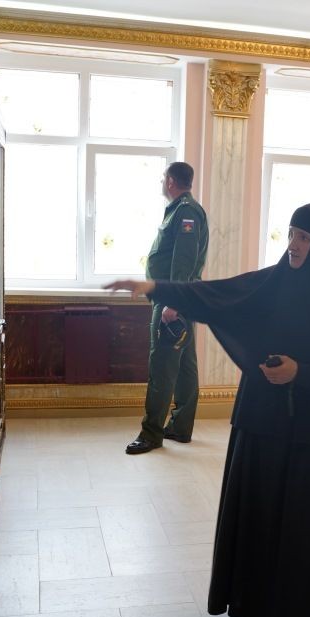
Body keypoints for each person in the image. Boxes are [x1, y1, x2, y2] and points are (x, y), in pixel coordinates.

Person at [107, 202, 310, 617]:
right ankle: (249, 600)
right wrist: (155, 287)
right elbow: (217, 296)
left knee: (295, 517)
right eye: (291, 233)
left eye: (304, 237)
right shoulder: (276, 281)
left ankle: (292, 611)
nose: (293, 245)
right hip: (260, 416)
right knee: (255, 507)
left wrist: (301, 372)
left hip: (308, 428)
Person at [126, 162, 209, 455]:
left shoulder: (186, 212)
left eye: (163, 178)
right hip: (181, 299)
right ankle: (180, 427)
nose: (162, 182)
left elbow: (183, 260)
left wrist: (173, 302)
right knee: (185, 365)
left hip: (173, 300)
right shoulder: (181, 210)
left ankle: (151, 433)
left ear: (171, 181)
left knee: (162, 366)